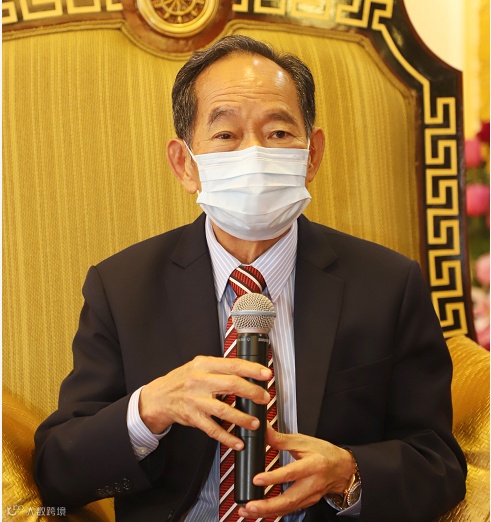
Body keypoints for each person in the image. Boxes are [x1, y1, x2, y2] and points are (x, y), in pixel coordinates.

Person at [34, 35, 466, 522]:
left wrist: (350, 473)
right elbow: (58, 470)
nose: (255, 154)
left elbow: (439, 462)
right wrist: (149, 408)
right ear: (185, 164)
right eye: (226, 135)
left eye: (278, 133)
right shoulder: (122, 289)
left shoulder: (389, 284)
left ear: (312, 154)